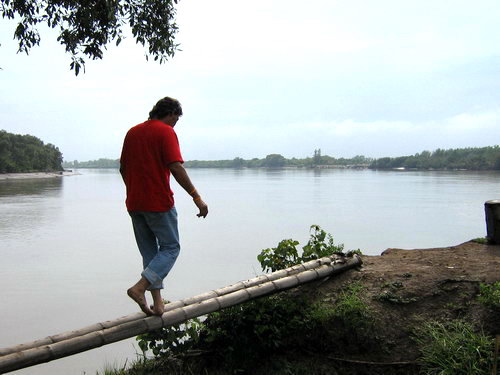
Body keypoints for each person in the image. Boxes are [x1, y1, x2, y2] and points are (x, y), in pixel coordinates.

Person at [120, 97, 208, 316]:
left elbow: (123, 168)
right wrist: (196, 197)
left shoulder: (132, 132)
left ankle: (157, 304)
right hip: (158, 202)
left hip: (134, 203)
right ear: (170, 114)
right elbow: (176, 167)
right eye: (176, 119)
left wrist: (134, 189)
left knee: (150, 253)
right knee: (170, 248)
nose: (175, 124)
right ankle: (140, 288)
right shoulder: (165, 131)